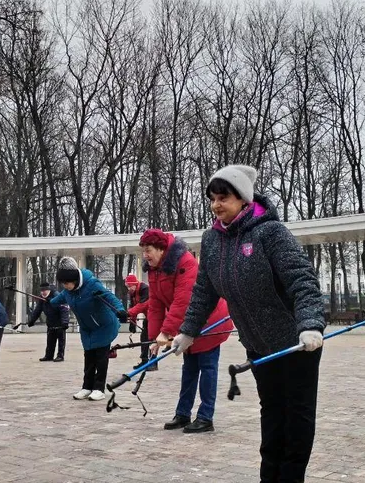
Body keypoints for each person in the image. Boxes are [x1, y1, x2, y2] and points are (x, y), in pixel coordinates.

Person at [177, 165, 326, 482]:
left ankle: (291, 477)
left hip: (297, 343)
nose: (217, 205)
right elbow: (204, 291)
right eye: (213, 199)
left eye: (224, 198)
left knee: (296, 416)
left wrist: (311, 324)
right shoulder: (212, 240)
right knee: (271, 413)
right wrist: (187, 331)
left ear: (244, 200)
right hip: (259, 346)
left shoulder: (270, 233)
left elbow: (303, 282)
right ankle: (268, 476)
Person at [140, 229, 234, 434]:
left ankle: (205, 417)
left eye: (148, 250)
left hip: (209, 323)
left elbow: (183, 302)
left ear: (161, 249)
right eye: (143, 251)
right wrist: (153, 339)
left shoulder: (185, 263)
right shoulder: (154, 270)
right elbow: (155, 304)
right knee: (189, 369)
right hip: (187, 327)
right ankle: (183, 414)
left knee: (207, 368)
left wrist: (166, 333)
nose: (145, 255)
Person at [49, 257, 127, 402]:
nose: (65, 286)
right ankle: (87, 387)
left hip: (103, 325)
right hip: (88, 329)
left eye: (67, 283)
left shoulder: (92, 285)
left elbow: (110, 296)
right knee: (89, 357)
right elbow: (58, 299)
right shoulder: (68, 291)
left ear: (75, 280)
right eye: (63, 284)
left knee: (101, 357)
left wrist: (120, 310)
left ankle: (99, 389)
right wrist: (49, 302)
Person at [27, 281, 69, 362]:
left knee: (61, 341)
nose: (43, 292)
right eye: (41, 291)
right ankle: (49, 355)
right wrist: (32, 320)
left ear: (49, 290)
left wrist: (65, 322)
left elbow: (64, 309)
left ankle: (60, 355)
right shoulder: (42, 299)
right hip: (50, 323)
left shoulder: (57, 296)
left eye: (45, 291)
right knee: (50, 341)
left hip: (60, 323)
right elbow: (37, 310)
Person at [125, 274, 154, 371]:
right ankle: (145, 361)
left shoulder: (144, 289)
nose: (129, 288)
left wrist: (128, 313)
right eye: (127, 286)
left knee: (151, 339)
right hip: (148, 316)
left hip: (154, 314)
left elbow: (142, 305)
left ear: (135, 284)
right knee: (144, 337)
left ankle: (153, 362)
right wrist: (132, 322)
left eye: (130, 286)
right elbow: (133, 306)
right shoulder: (132, 293)